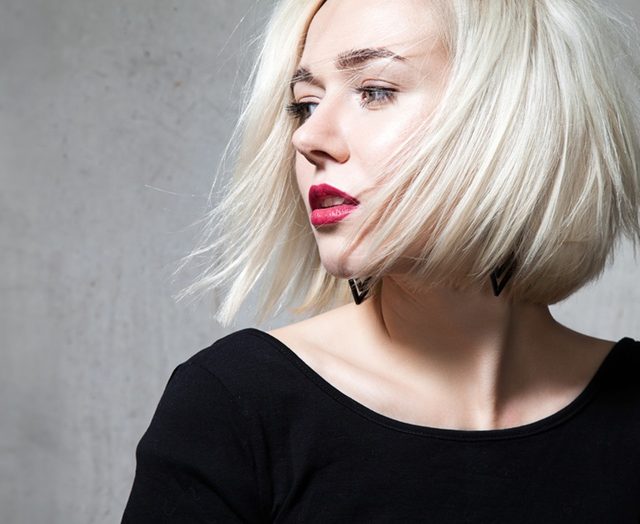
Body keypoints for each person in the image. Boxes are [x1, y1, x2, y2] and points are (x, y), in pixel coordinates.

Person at [122, 0, 640, 521]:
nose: (307, 137)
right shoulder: (236, 406)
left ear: (518, 117)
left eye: (374, 91)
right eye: (305, 104)